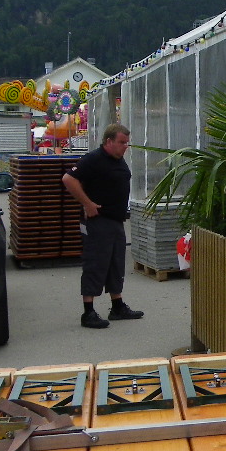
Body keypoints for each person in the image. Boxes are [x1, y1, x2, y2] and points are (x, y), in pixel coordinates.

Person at [62, 123, 144, 329]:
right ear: (109, 141)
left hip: (116, 220)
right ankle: (88, 312)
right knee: (95, 263)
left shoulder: (118, 159)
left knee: (116, 263)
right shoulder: (94, 159)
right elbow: (68, 179)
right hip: (98, 221)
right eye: (122, 142)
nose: (125, 146)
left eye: (127, 143)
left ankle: (117, 306)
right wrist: (87, 204)